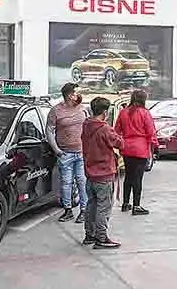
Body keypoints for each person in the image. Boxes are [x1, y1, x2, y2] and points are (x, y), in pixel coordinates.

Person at [81, 97, 124, 248]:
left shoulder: (86, 125)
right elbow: (119, 143)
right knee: (104, 207)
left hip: (90, 172)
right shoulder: (104, 128)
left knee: (91, 204)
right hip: (103, 174)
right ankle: (101, 238)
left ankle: (89, 234)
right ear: (105, 112)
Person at [46, 82, 88, 223]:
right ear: (70, 96)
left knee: (82, 181)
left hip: (81, 152)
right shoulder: (56, 111)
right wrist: (56, 150)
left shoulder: (82, 108)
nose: (79, 94)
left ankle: (84, 210)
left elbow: (88, 127)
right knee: (66, 183)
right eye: (77, 92)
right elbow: (49, 131)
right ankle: (68, 210)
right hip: (65, 153)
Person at [114, 89, 157, 216]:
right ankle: (137, 206)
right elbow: (151, 132)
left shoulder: (123, 112)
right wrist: (154, 146)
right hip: (141, 148)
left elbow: (116, 130)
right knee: (138, 178)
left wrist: (120, 144)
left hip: (127, 148)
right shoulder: (145, 113)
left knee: (128, 176)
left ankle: (125, 203)